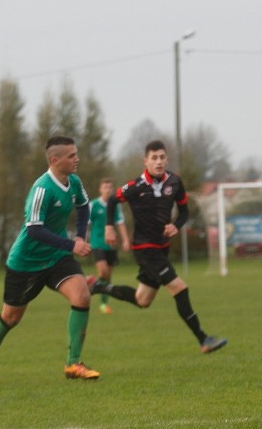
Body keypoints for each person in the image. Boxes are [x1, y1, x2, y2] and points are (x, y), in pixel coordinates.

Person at [0, 135, 100, 386]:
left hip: (56, 257)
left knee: (81, 295)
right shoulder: (42, 189)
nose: (77, 159)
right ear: (55, 160)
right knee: (11, 317)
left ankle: (73, 363)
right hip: (26, 262)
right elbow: (34, 230)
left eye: (76, 154)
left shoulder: (74, 181)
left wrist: (79, 234)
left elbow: (84, 206)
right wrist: (72, 244)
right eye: (71, 155)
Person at [89, 140, 227, 355]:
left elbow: (184, 212)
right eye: (154, 158)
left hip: (161, 248)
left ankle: (99, 287)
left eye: (162, 157)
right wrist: (109, 227)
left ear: (167, 159)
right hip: (145, 249)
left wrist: (176, 225)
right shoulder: (135, 186)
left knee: (142, 300)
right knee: (180, 288)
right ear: (146, 161)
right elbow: (113, 202)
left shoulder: (175, 182)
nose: (159, 161)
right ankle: (203, 339)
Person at [87, 177, 130, 313]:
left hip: (110, 245)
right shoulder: (93, 205)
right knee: (103, 271)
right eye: (105, 187)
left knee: (108, 276)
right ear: (100, 189)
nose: (108, 190)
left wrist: (126, 240)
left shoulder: (115, 205)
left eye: (110, 187)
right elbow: (84, 223)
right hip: (97, 243)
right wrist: (81, 240)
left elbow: (120, 223)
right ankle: (93, 282)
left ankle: (103, 303)